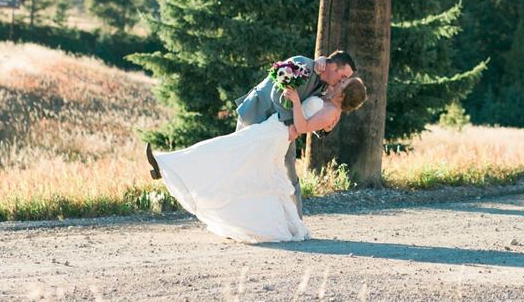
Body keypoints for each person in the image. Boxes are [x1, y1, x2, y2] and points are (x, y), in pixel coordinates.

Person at [145, 76, 367, 243]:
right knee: (243, 166)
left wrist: (296, 102)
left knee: (226, 149)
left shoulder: (331, 111)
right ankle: (168, 165)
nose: (340, 81)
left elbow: (303, 127)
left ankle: (166, 164)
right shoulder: (327, 100)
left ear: (345, 94)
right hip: (273, 130)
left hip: (276, 135)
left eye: (344, 83)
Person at [234, 50, 357, 217]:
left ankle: (296, 222)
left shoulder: (325, 88)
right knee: (241, 165)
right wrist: (291, 125)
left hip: (283, 130)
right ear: (334, 66)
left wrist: (323, 129)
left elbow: (309, 113)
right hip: (257, 114)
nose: (343, 81)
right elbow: (277, 93)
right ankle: (236, 216)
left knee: (288, 172)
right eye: (343, 76)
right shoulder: (302, 65)